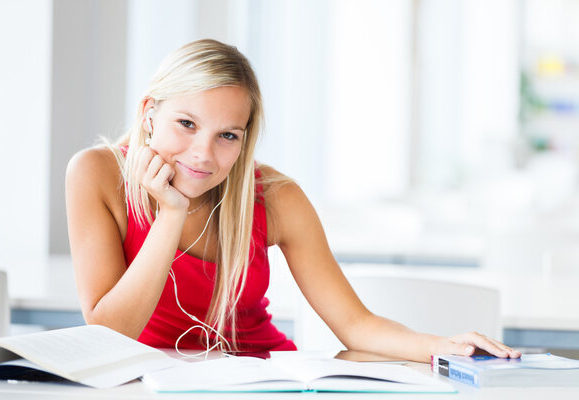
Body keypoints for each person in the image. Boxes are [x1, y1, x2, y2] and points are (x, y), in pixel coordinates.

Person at [66, 39, 520, 362]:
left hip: (261, 380)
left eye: (227, 135)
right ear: (150, 113)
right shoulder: (96, 174)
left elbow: (354, 324)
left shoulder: (276, 197)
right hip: (150, 385)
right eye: (186, 123)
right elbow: (108, 333)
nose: (203, 153)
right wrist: (171, 214)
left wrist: (447, 346)